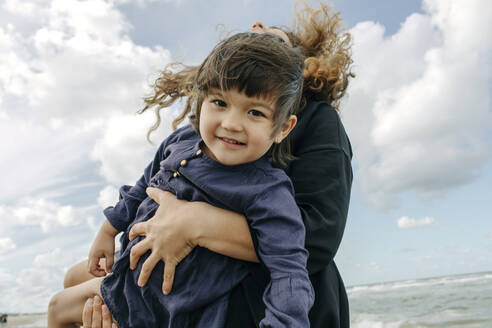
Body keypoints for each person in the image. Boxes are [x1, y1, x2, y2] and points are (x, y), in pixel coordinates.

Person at [80, 2, 354, 327]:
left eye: (276, 42)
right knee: (76, 282)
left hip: (248, 301)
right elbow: (146, 186)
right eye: (221, 102)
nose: (234, 123)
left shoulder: (316, 122)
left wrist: (194, 221)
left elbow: (317, 239)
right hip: (170, 281)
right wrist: (111, 229)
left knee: (73, 296)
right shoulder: (189, 140)